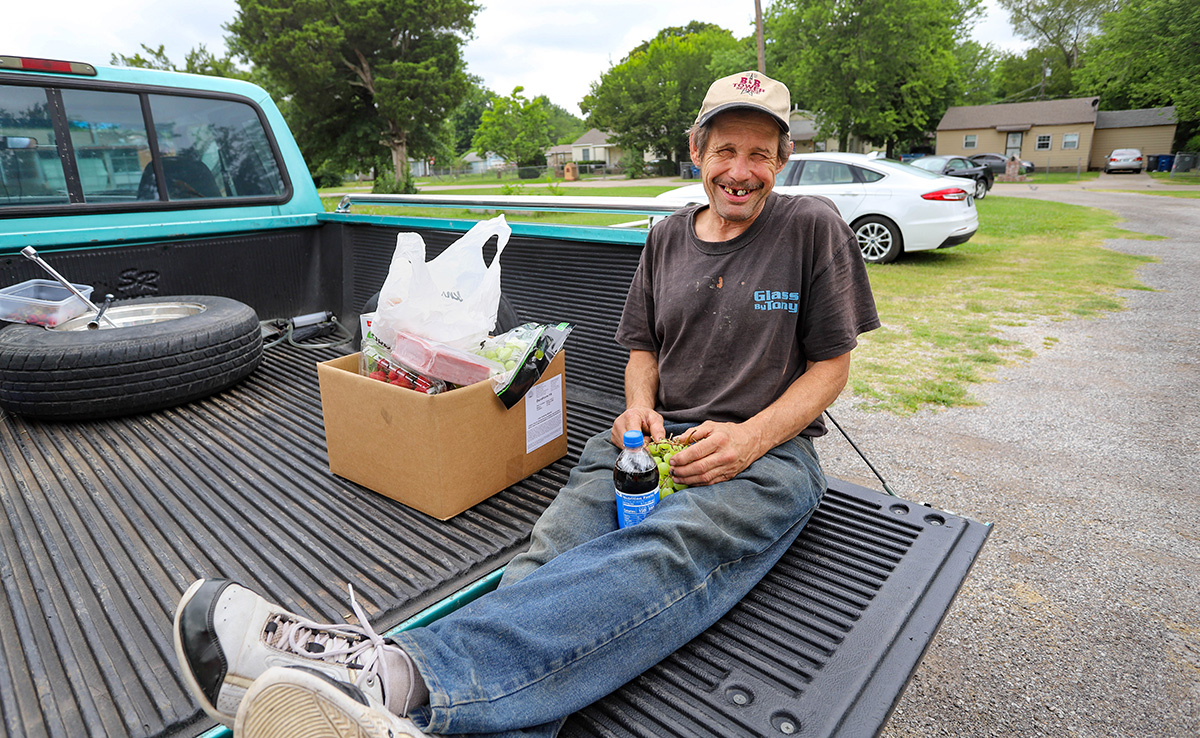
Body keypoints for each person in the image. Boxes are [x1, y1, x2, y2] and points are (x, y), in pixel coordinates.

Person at [172, 70, 880, 738]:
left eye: (761, 153)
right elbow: (642, 349)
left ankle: (388, 675)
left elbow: (831, 366)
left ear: (782, 161)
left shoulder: (811, 227)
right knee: (548, 559)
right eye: (726, 149)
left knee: (662, 553)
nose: (740, 170)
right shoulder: (666, 237)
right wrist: (637, 409)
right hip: (648, 441)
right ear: (697, 151)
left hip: (767, 456)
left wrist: (752, 438)